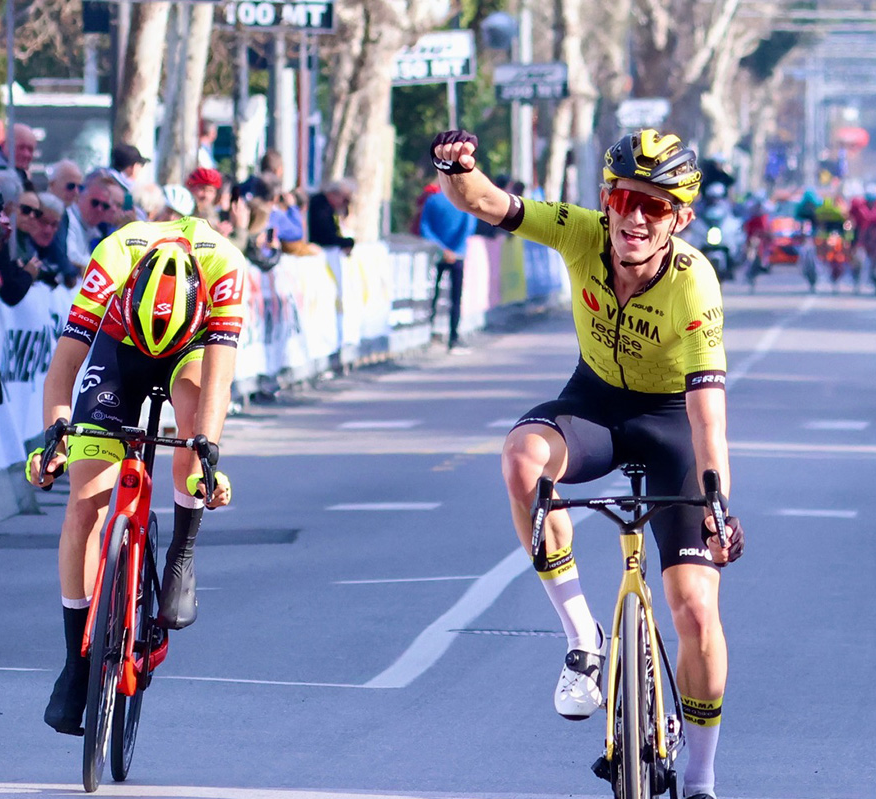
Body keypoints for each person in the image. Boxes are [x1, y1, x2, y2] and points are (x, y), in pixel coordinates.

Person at [430, 128, 745, 799]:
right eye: (623, 197)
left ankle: (701, 776)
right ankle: (583, 638)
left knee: (693, 609)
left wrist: (718, 502)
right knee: (521, 460)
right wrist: (456, 166)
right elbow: (489, 204)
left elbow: (708, 416)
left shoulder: (694, 285)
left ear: (680, 218)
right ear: (606, 201)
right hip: (595, 405)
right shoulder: (581, 234)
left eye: (654, 206)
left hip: (672, 424)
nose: (634, 215)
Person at [25, 192, 246, 737]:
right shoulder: (113, 258)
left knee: (193, 435)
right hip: (118, 345)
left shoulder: (223, 267)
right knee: (84, 505)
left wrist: (206, 458)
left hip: (189, 351)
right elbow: (63, 371)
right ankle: (77, 664)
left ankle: (182, 552)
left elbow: (218, 383)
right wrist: (54, 438)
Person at [419, 185, 476, 351]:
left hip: (437, 255)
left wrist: (441, 249)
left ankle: (429, 333)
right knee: (455, 298)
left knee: (433, 294)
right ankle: (453, 337)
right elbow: (469, 227)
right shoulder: (464, 201)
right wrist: (454, 250)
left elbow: (425, 227)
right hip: (457, 255)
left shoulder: (433, 201)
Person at [308, 178, 356, 251]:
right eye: (345, 200)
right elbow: (325, 236)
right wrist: (346, 242)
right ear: (334, 194)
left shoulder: (329, 209)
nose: (345, 204)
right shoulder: (321, 206)